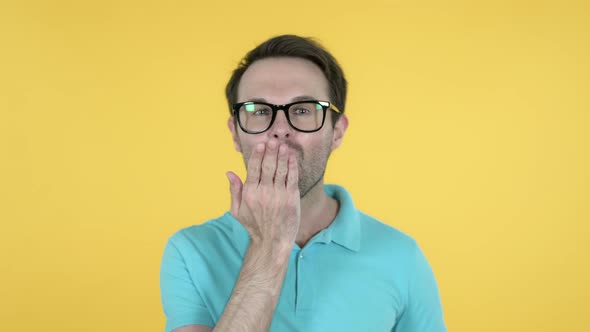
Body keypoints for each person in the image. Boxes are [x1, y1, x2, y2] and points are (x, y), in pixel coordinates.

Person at [159, 34, 447, 332]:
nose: (280, 129)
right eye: (259, 111)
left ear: (337, 132)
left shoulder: (401, 255)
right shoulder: (191, 251)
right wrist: (269, 245)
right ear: (235, 133)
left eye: (302, 110)